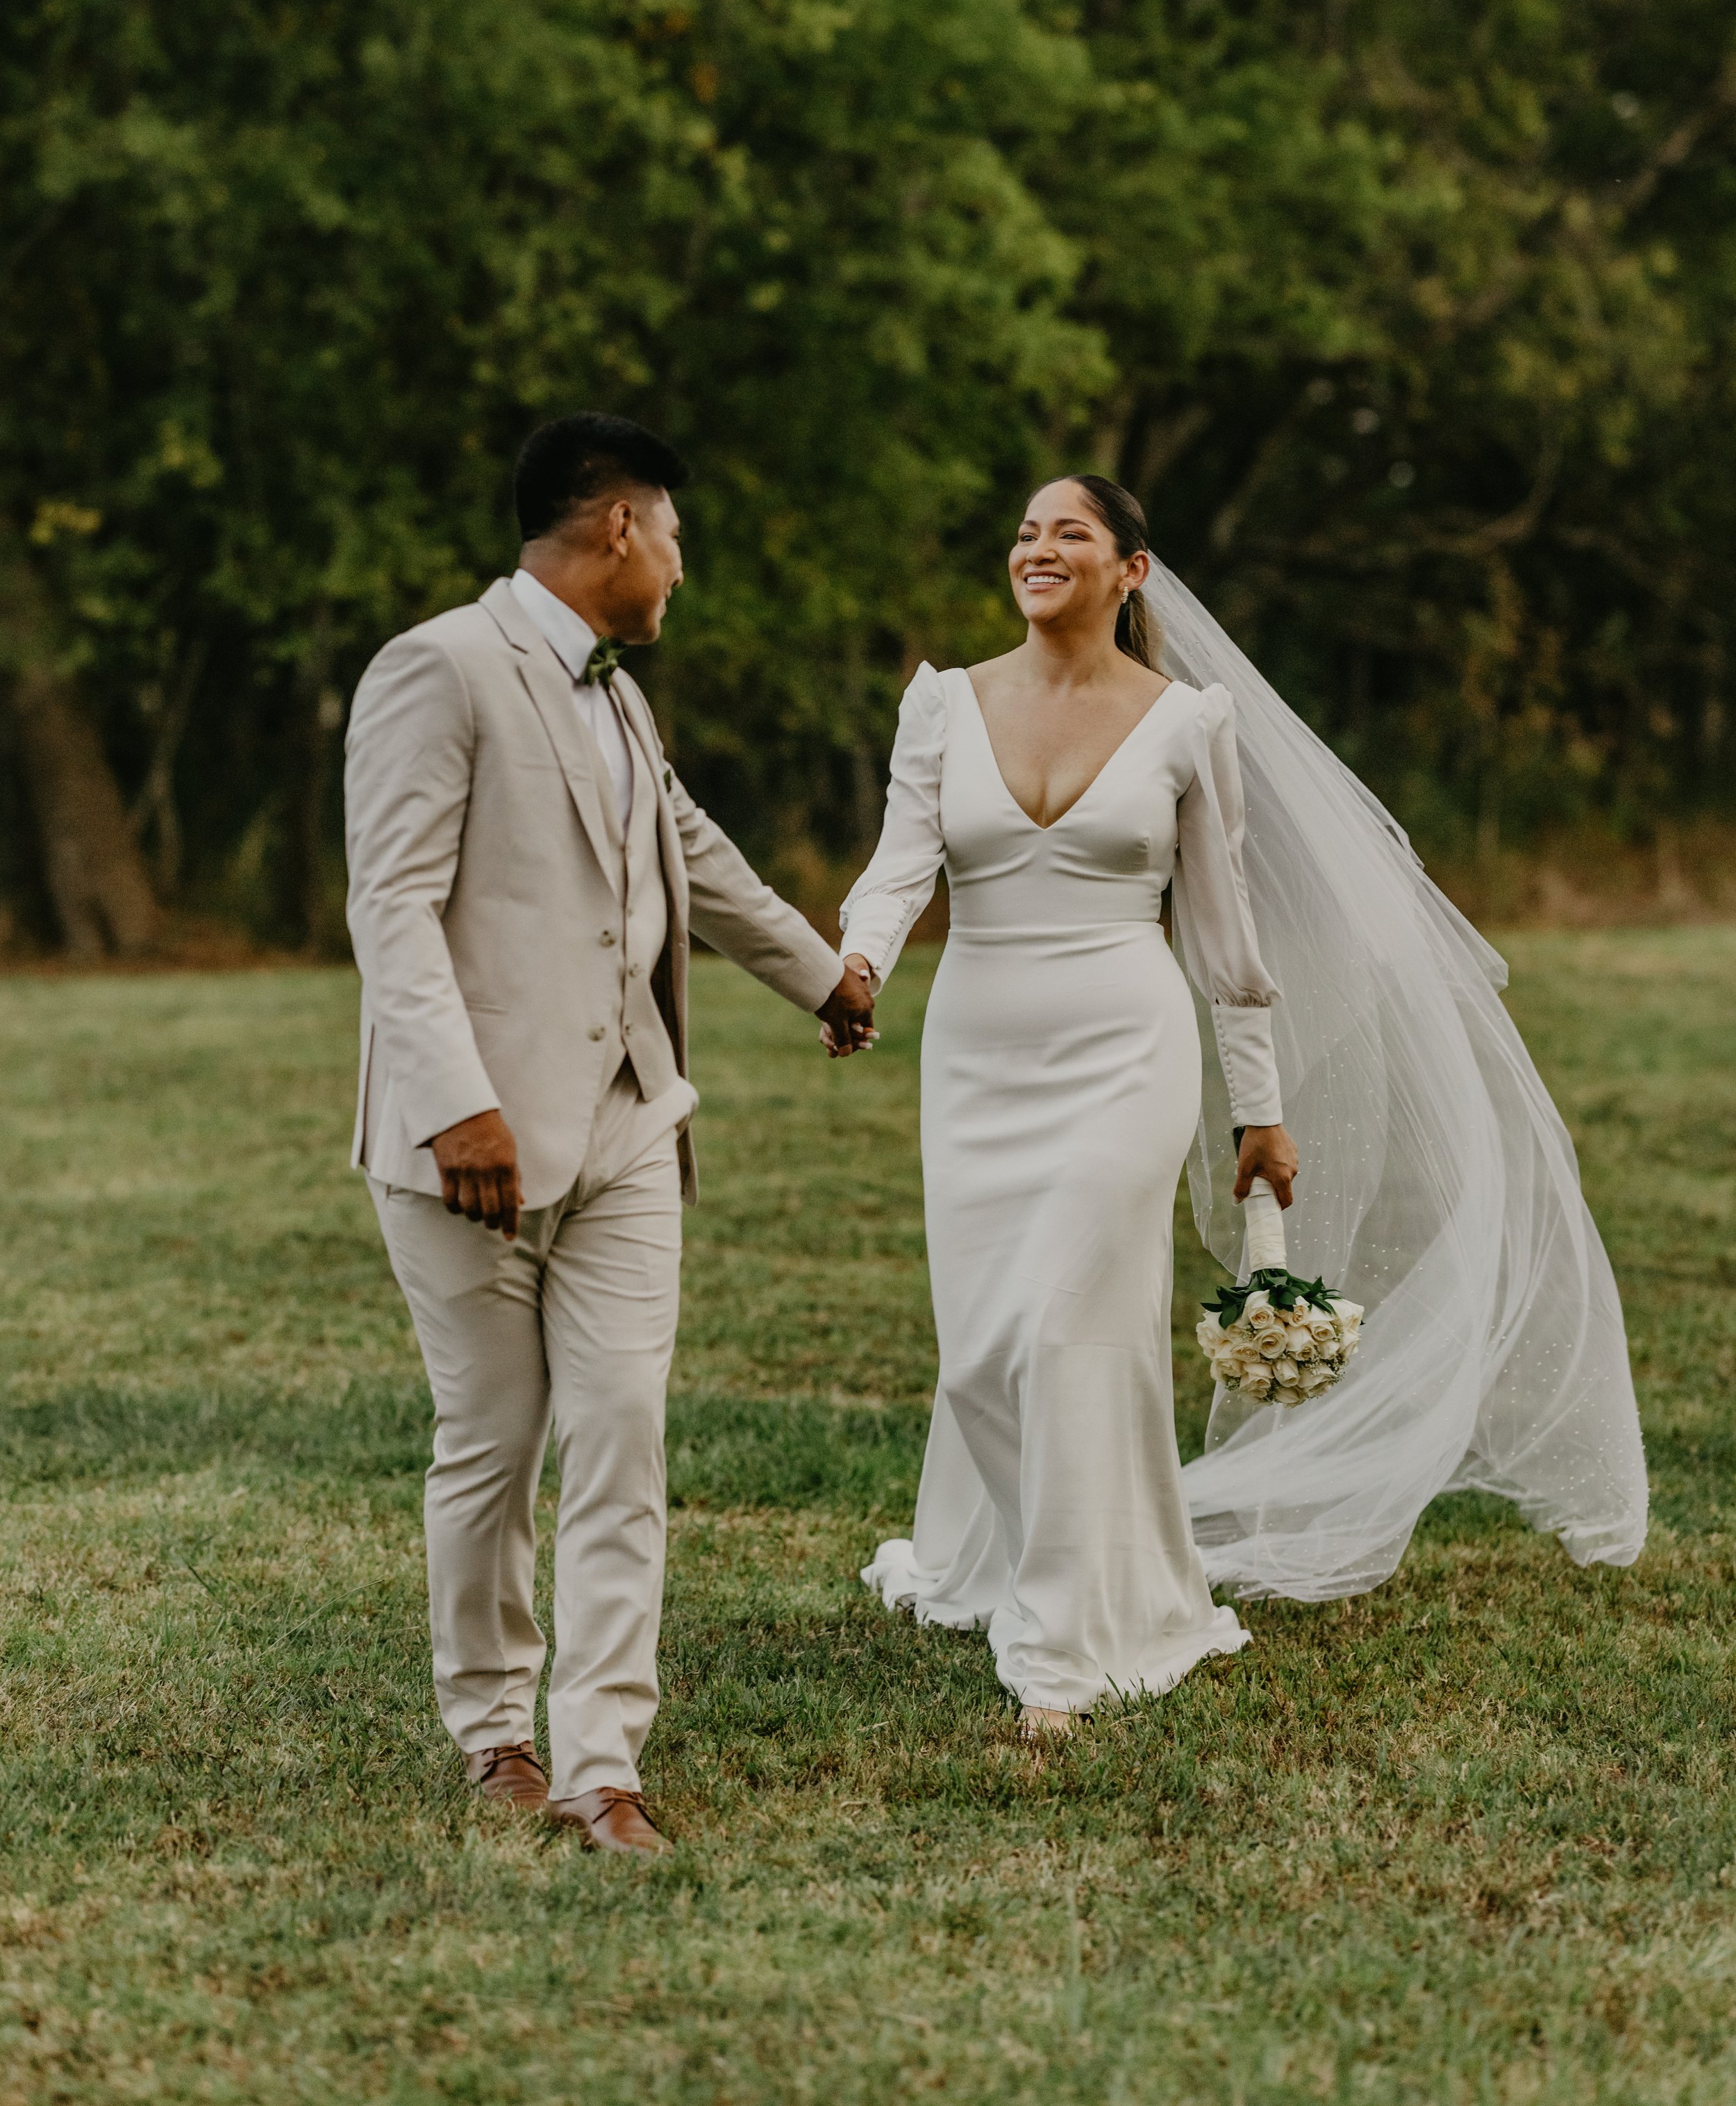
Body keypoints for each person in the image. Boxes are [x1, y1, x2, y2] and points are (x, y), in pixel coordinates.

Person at [843, 474, 1646, 1735]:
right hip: (978, 1056)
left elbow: (1225, 933)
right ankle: (1043, 1557)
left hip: (1125, 1048)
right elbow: (896, 873)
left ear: (1131, 572)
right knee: (987, 1349)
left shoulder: (1183, 722)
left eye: (1071, 533)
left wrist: (1257, 1111)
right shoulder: (944, 704)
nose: (1037, 548)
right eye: (1024, 533)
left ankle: (1062, 1640)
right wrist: (856, 967)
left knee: (1070, 1325)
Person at [344, 413, 875, 1850]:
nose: (680, 578)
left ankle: (601, 1766)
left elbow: (688, 851)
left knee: (624, 1434)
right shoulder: (439, 666)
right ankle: (493, 1732)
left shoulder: (622, 699)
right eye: (677, 543)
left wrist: (822, 974)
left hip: (634, 1122)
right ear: (619, 529)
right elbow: (387, 903)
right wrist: (456, 1100)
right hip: (475, 1145)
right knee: (494, 1444)